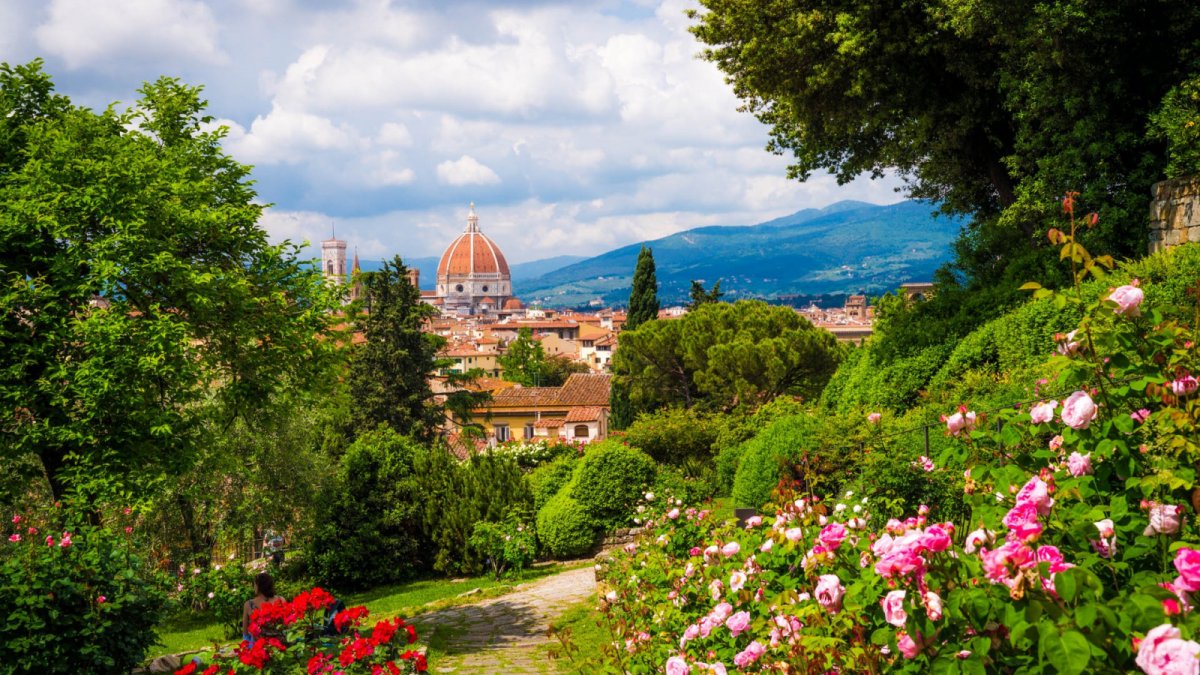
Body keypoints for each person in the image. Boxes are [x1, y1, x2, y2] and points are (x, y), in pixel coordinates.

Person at [241, 571, 286, 644]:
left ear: (259, 586)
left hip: (260, 648)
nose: (254, 587)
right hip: (282, 643)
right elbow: (289, 625)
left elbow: (245, 633)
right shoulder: (281, 600)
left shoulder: (249, 604)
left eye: (255, 584)